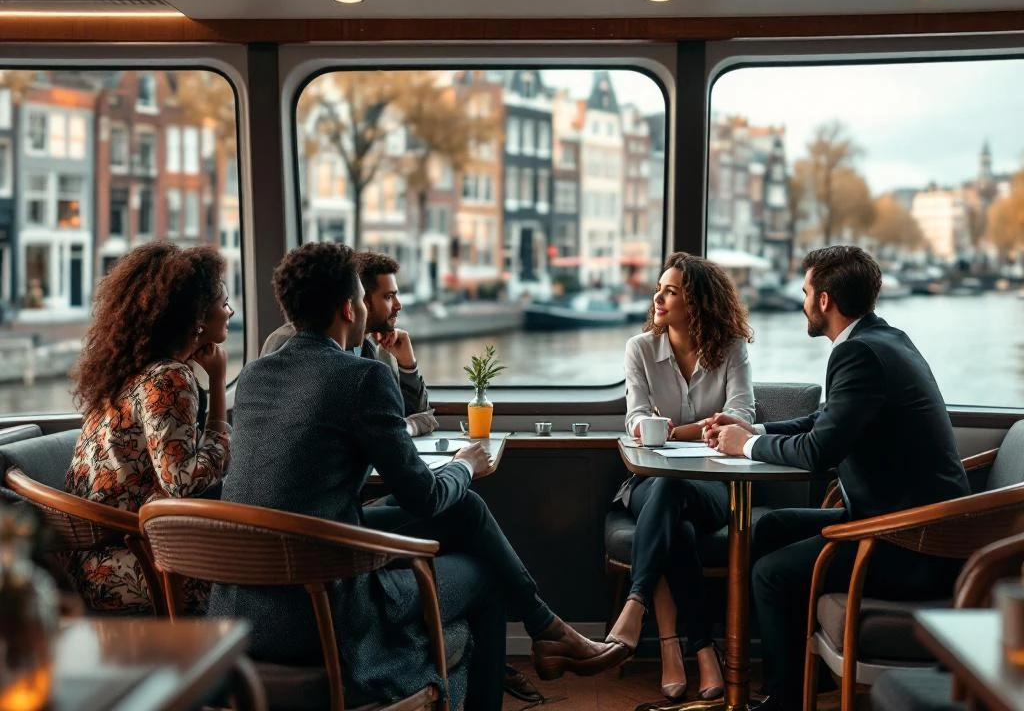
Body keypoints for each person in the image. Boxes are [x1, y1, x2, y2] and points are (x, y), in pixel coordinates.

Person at [211, 242, 627, 711]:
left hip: (240, 612)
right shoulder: (362, 378)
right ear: (351, 308)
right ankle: (545, 632)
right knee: (484, 573)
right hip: (322, 608)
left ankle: (548, 629)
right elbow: (424, 498)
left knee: (465, 508)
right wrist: (465, 465)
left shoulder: (255, 376)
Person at [705, 245, 970, 711]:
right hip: (894, 519)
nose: (803, 301)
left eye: (806, 291)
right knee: (769, 527)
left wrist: (741, 446)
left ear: (824, 301)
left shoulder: (859, 355)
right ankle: (790, 674)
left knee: (770, 575)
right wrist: (755, 429)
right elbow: (823, 421)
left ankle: (785, 698)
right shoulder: (882, 340)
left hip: (913, 544)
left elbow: (817, 450)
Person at [605, 252, 754, 701]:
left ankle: (639, 605)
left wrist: (671, 430)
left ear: (698, 301)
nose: (658, 297)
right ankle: (703, 651)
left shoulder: (731, 348)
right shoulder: (641, 349)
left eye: (671, 291)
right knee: (671, 502)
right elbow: (635, 419)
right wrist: (686, 427)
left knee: (678, 510)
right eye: (660, 287)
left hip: (713, 487)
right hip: (646, 483)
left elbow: (742, 417)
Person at [66, 242, 233, 613]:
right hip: (128, 560)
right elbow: (183, 481)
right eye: (223, 303)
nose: (230, 311)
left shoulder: (132, 373)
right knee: (252, 571)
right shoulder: (169, 377)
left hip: (92, 559)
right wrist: (219, 383)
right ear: (198, 317)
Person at [261, 250, 436, 435]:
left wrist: (407, 366)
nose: (398, 305)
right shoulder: (285, 342)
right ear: (360, 302)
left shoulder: (379, 350)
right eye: (388, 296)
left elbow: (418, 415)